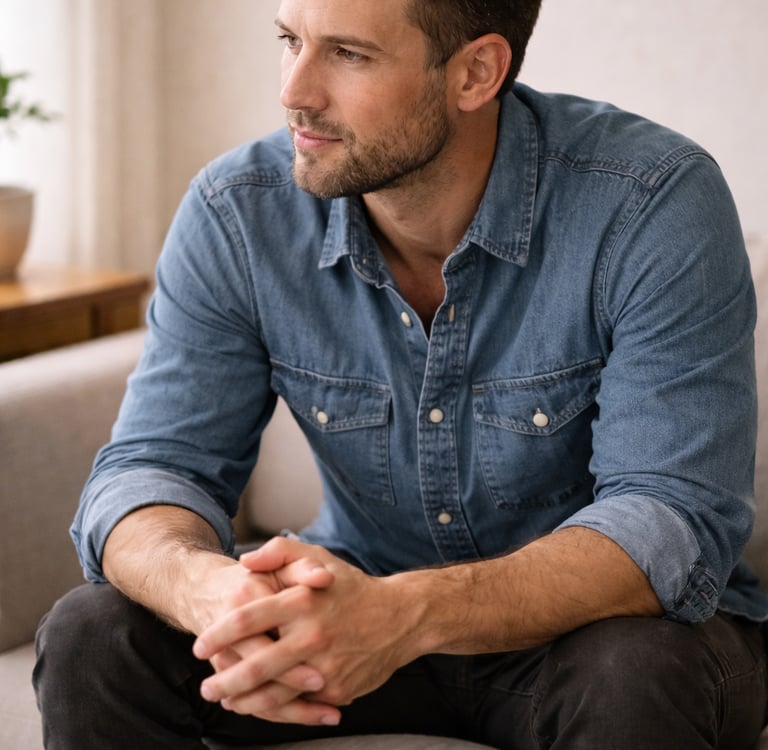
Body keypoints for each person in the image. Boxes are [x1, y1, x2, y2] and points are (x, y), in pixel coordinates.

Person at [34, 0, 768, 748]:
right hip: (353, 612)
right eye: (290, 41)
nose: (295, 89)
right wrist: (208, 589)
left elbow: (670, 519)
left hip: (588, 638)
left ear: (476, 72)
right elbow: (149, 470)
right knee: (95, 633)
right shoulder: (238, 213)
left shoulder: (649, 202)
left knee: (634, 671)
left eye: (348, 54)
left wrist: (403, 615)